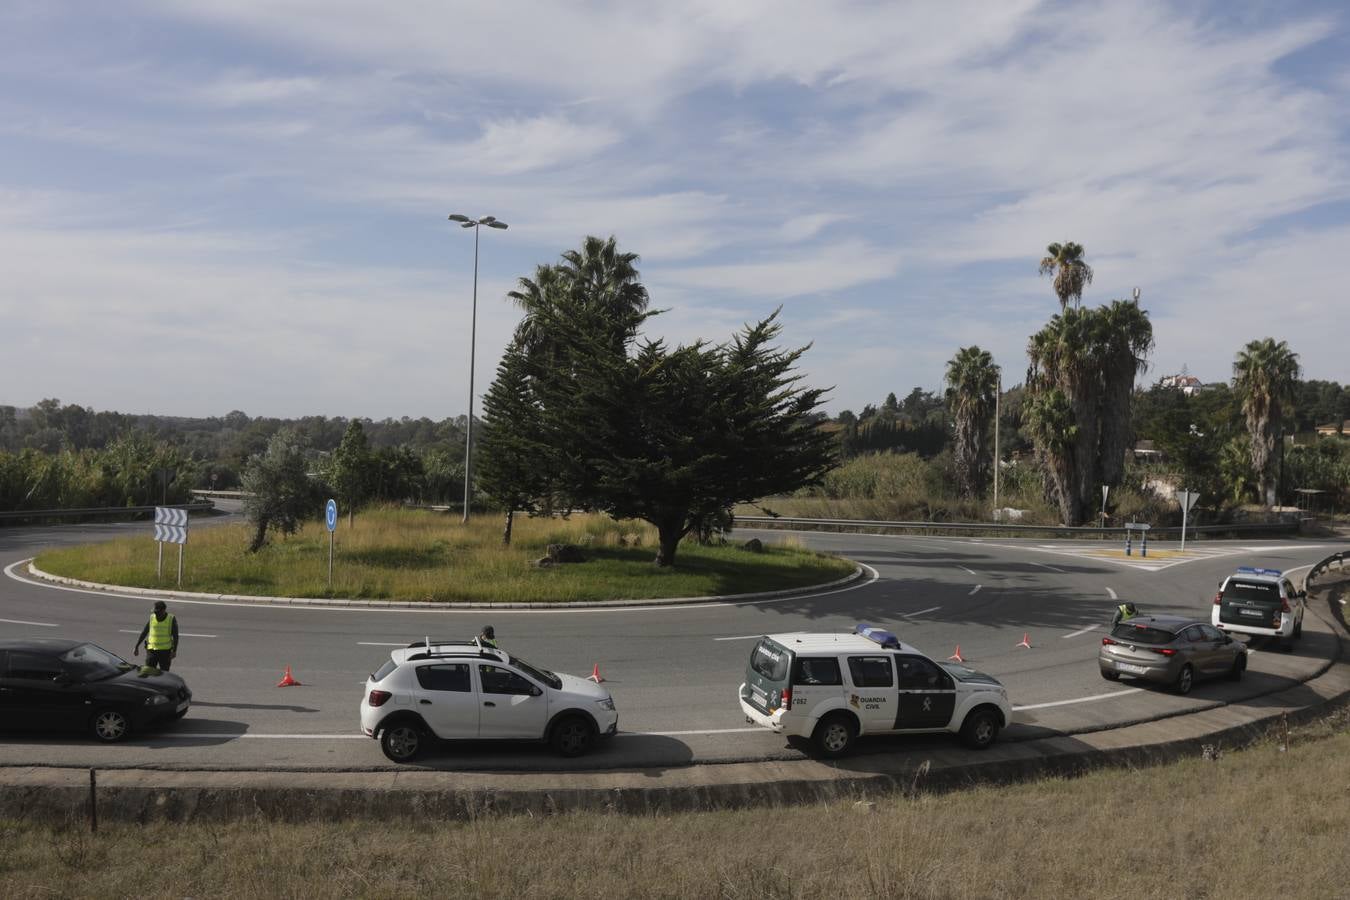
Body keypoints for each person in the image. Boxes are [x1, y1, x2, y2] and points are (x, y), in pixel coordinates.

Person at [133, 600, 179, 671]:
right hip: (151, 651)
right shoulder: (152, 617)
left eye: (158, 612)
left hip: (165, 652)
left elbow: (176, 636)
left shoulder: (171, 619)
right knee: (149, 673)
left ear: (164, 610)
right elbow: (145, 631)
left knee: (164, 674)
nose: (156, 614)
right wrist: (136, 646)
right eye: (155, 612)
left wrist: (174, 651)